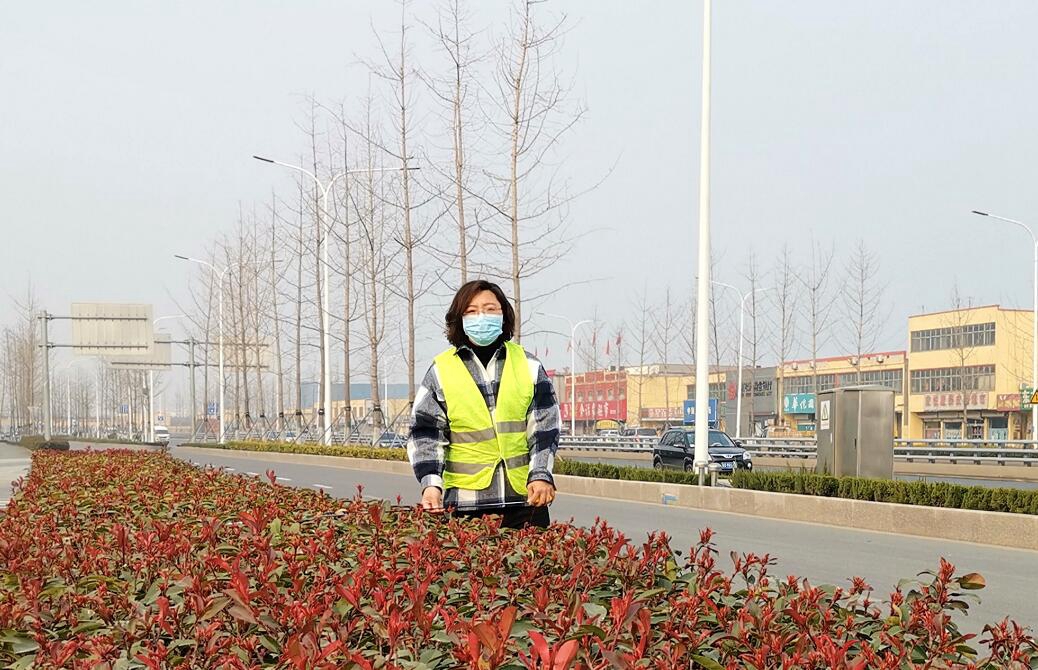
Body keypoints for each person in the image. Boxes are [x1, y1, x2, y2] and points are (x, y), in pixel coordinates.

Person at [406, 280, 560, 529]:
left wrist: (541, 474)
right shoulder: (441, 371)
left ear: (504, 315)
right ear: (459, 319)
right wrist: (431, 484)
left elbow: (545, 428)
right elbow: (426, 434)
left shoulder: (528, 366)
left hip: (525, 502)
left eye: (490, 309)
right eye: (472, 311)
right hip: (465, 506)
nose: (482, 317)